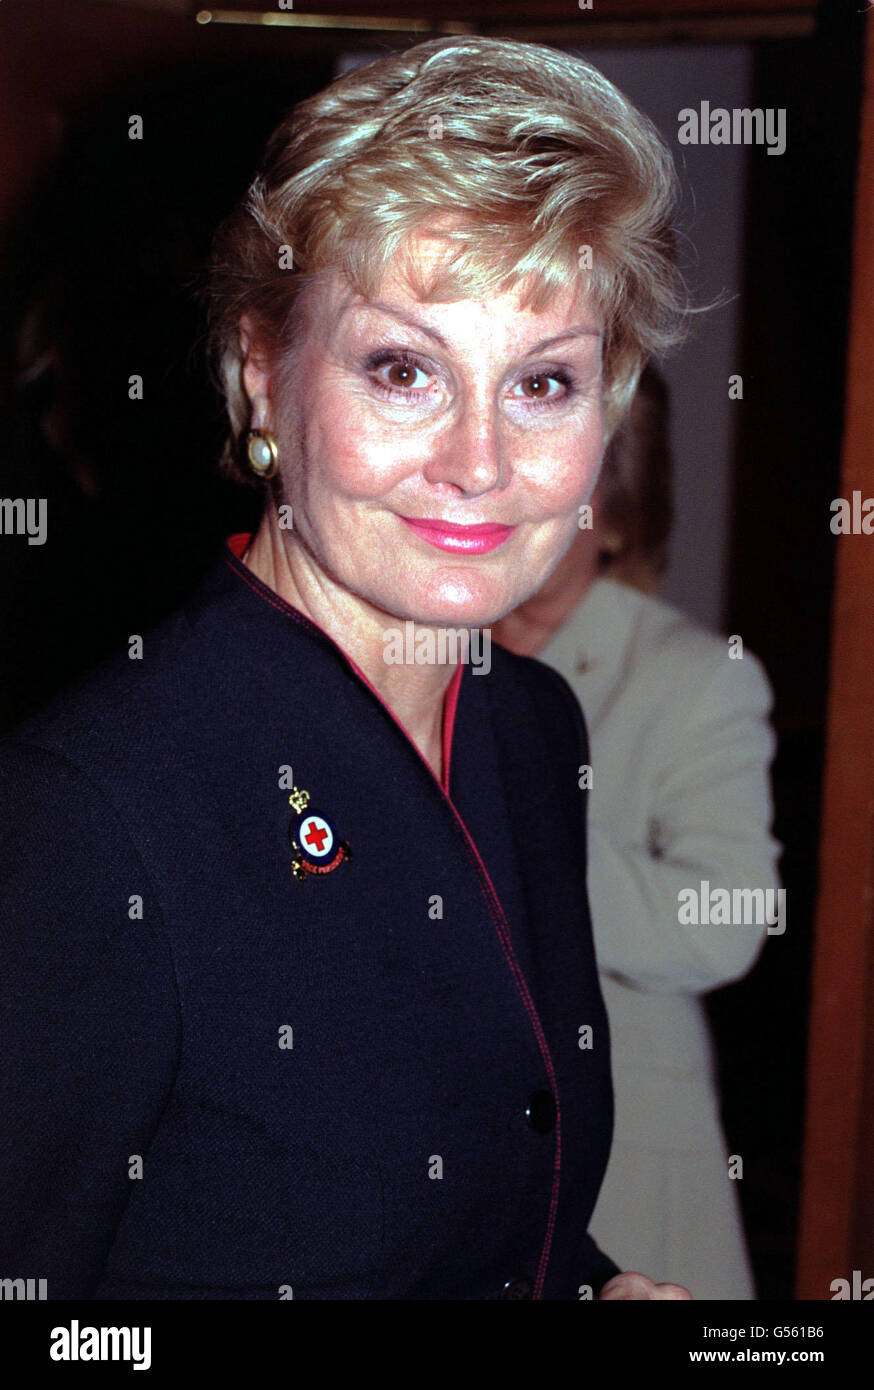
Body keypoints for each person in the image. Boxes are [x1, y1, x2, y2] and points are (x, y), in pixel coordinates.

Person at [0, 37, 693, 1300]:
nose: (478, 461)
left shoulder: (530, 726)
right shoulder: (88, 808)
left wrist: (590, 1287)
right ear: (261, 376)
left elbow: (476, 1203)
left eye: (543, 381)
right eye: (402, 368)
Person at [495, 366, 781, 1299]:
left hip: (625, 1171)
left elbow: (731, 918)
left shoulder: (694, 679)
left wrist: (514, 850)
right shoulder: (425, 648)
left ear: (617, 515)